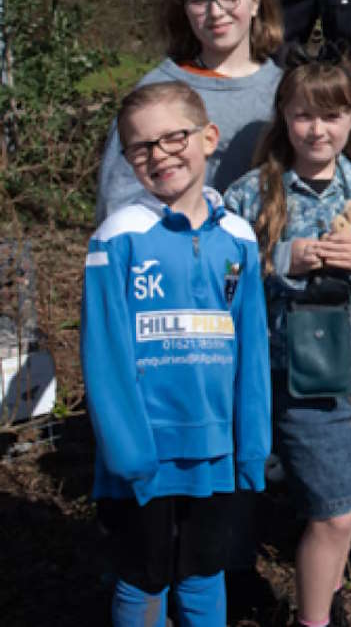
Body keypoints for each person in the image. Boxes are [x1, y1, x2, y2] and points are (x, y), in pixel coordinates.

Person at [223, 58, 351, 627]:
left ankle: (325, 595)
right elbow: (221, 276)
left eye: (331, 116)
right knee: (329, 512)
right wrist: (281, 259)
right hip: (285, 368)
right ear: (283, 116)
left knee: (344, 502)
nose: (317, 130)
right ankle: (315, 618)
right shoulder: (249, 194)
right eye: (304, 115)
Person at [81, 81, 271, 626]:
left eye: (174, 137)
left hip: (216, 451)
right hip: (144, 453)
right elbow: (104, 356)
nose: (159, 155)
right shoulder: (117, 238)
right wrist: (128, 454)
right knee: (145, 575)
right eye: (141, 147)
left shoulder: (239, 239)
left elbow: (251, 349)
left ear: (208, 137)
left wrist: (251, 443)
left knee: (203, 570)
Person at [96, 0, 284, 223]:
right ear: (183, 9)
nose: (216, 11)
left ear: (255, 2)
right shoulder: (158, 92)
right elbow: (119, 196)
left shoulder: (287, 91)